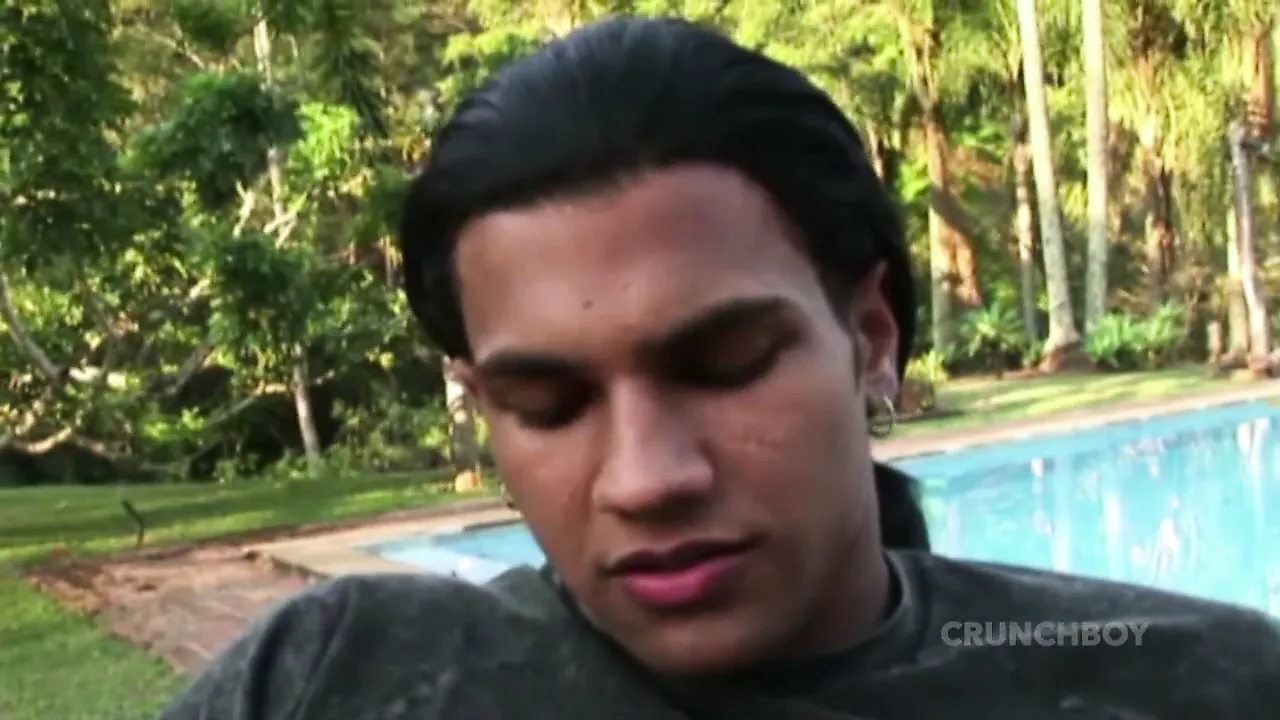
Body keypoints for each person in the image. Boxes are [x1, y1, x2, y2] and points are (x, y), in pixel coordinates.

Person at [159, 16, 1280, 720]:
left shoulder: (1192, 682)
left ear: (870, 337)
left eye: (728, 364)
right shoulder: (329, 678)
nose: (646, 478)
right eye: (546, 404)